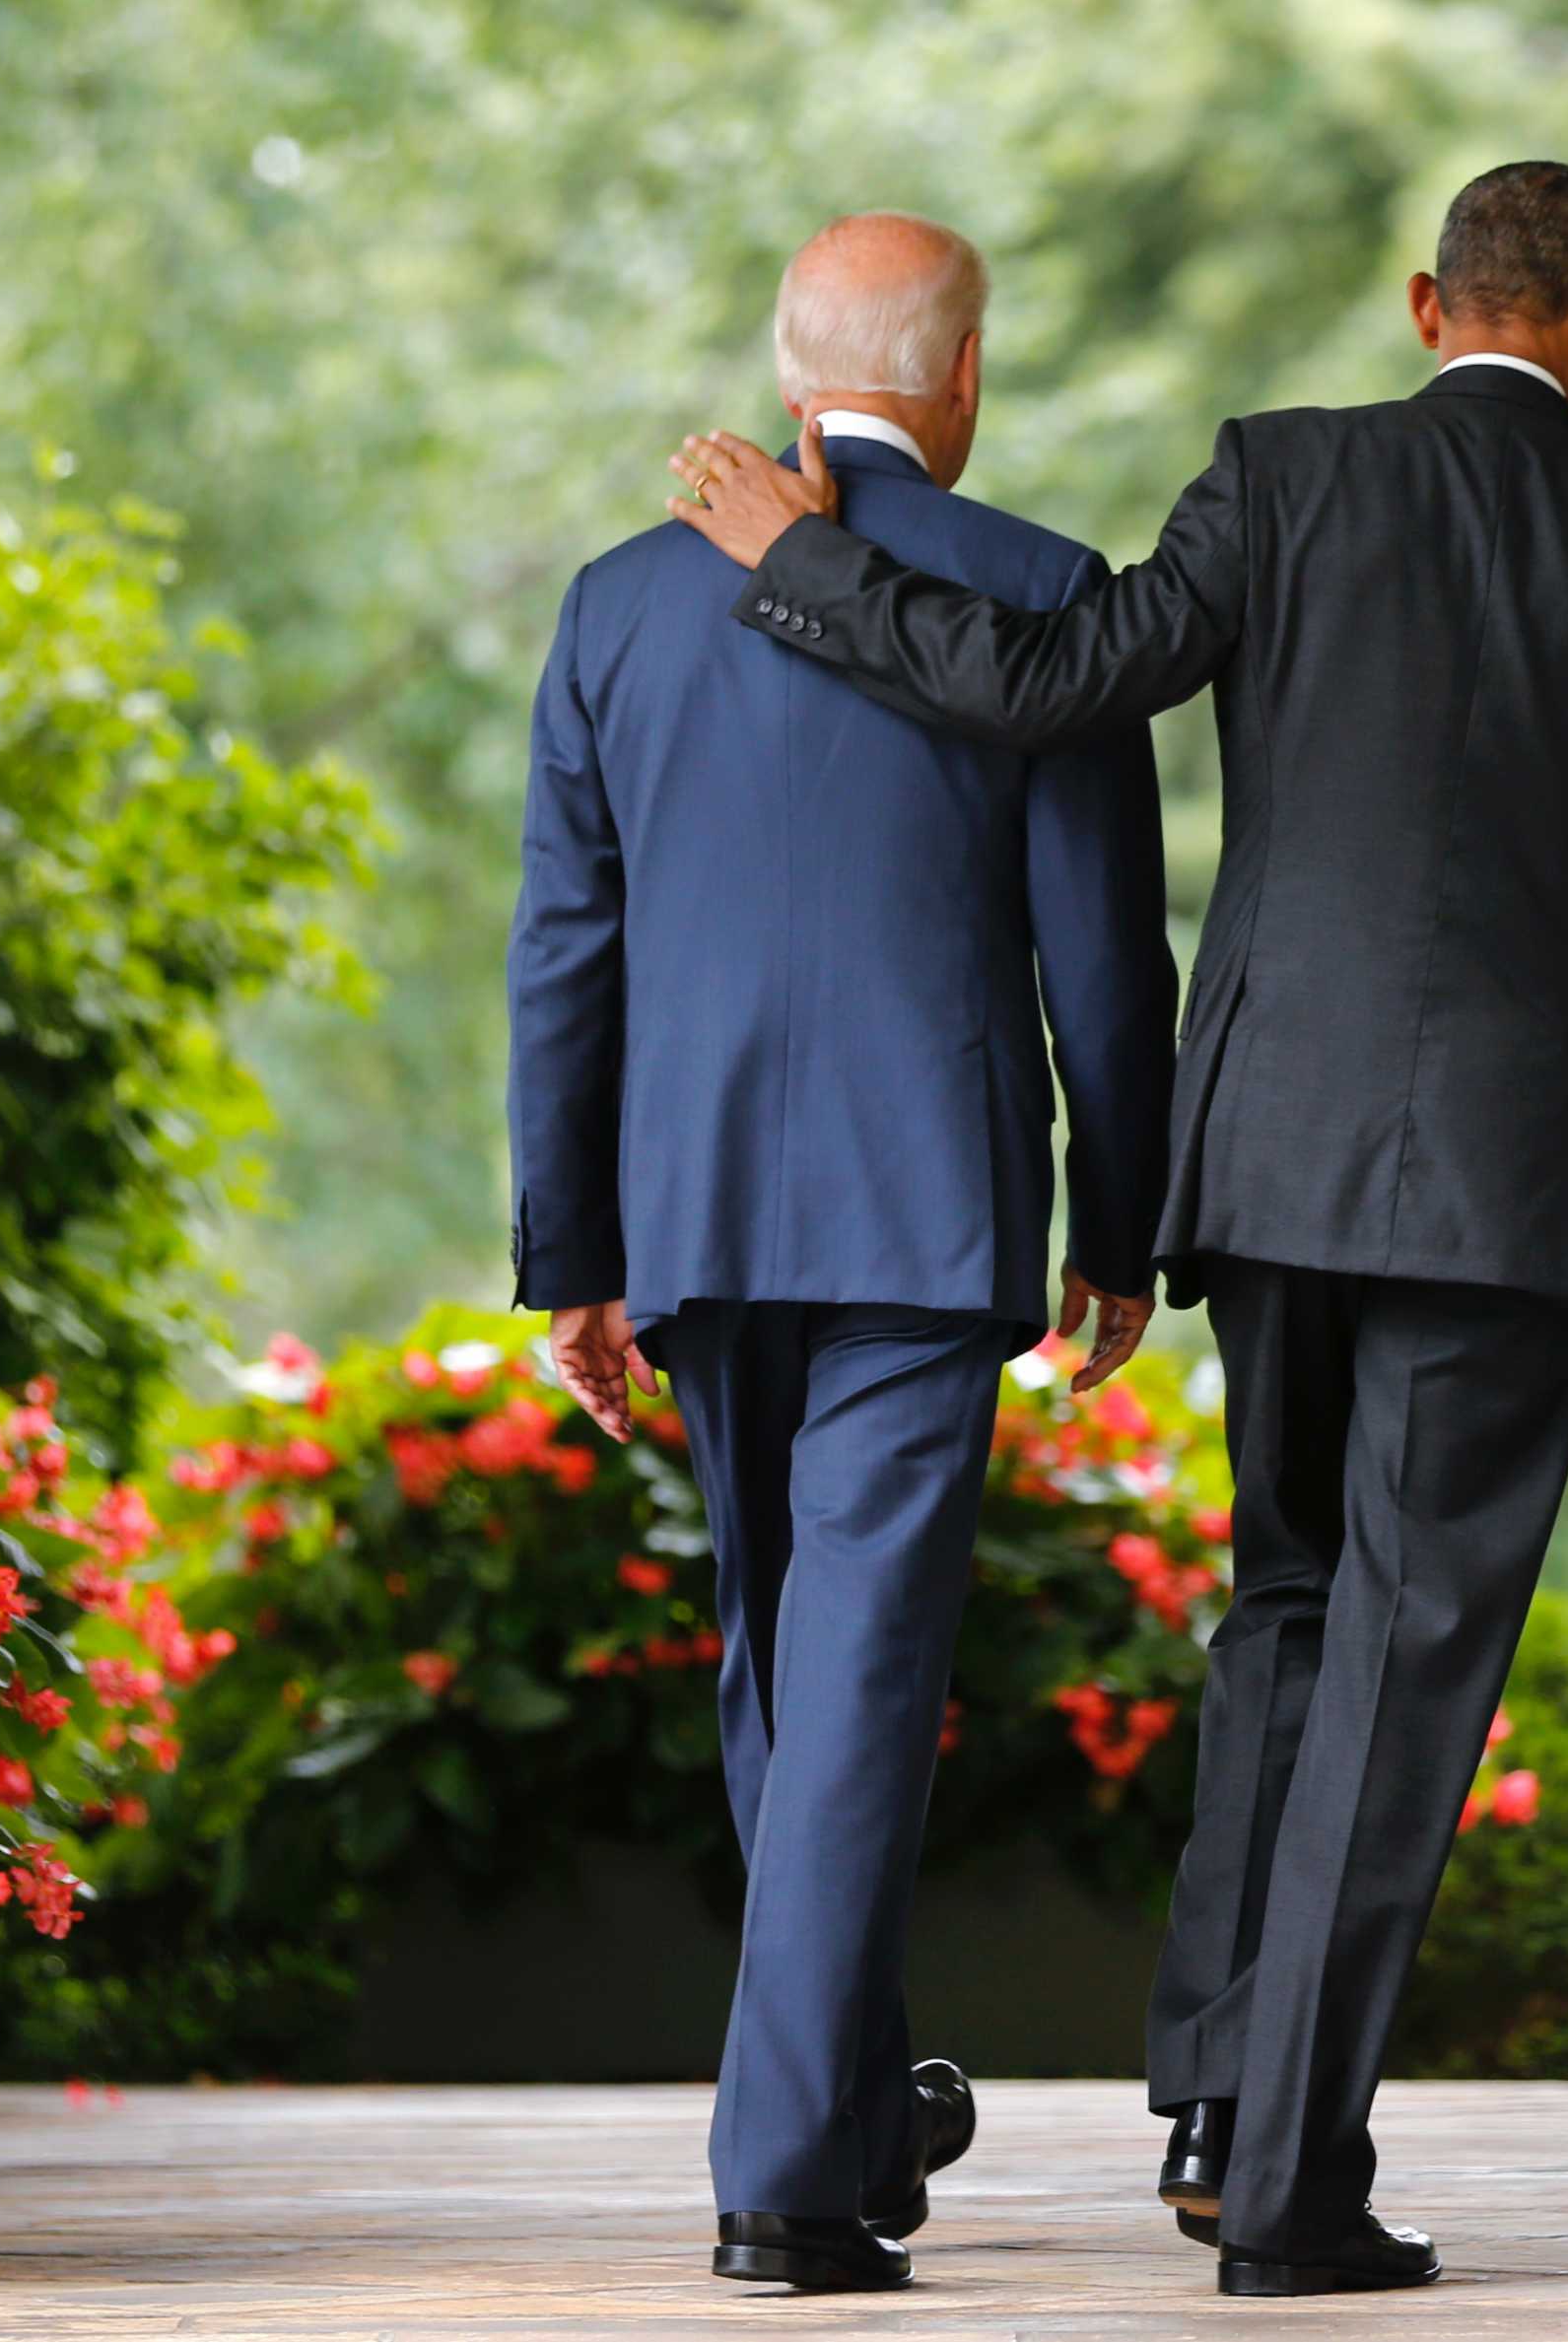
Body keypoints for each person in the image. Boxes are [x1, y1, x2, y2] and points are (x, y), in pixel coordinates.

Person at [663, 162, 1568, 2297]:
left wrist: (812, 570)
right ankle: (1285, 2187)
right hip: (1502, 1188)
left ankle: (1209, 2105)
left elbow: (1052, 682)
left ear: (1417, 299)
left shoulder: (1281, 480)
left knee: (1285, 1607)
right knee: (1408, 1663)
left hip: (1265, 1162)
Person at [507, 211, 1178, 2293]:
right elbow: (1106, 960)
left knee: (785, 1663)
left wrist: (572, 1251)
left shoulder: (619, 608)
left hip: (695, 1210)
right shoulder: (1045, 596)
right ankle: (785, 2180)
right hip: (927, 1205)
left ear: (789, 369)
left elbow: (565, 955)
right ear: (960, 376)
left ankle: (862, 2105)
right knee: (859, 1671)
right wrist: (1123, 1216)